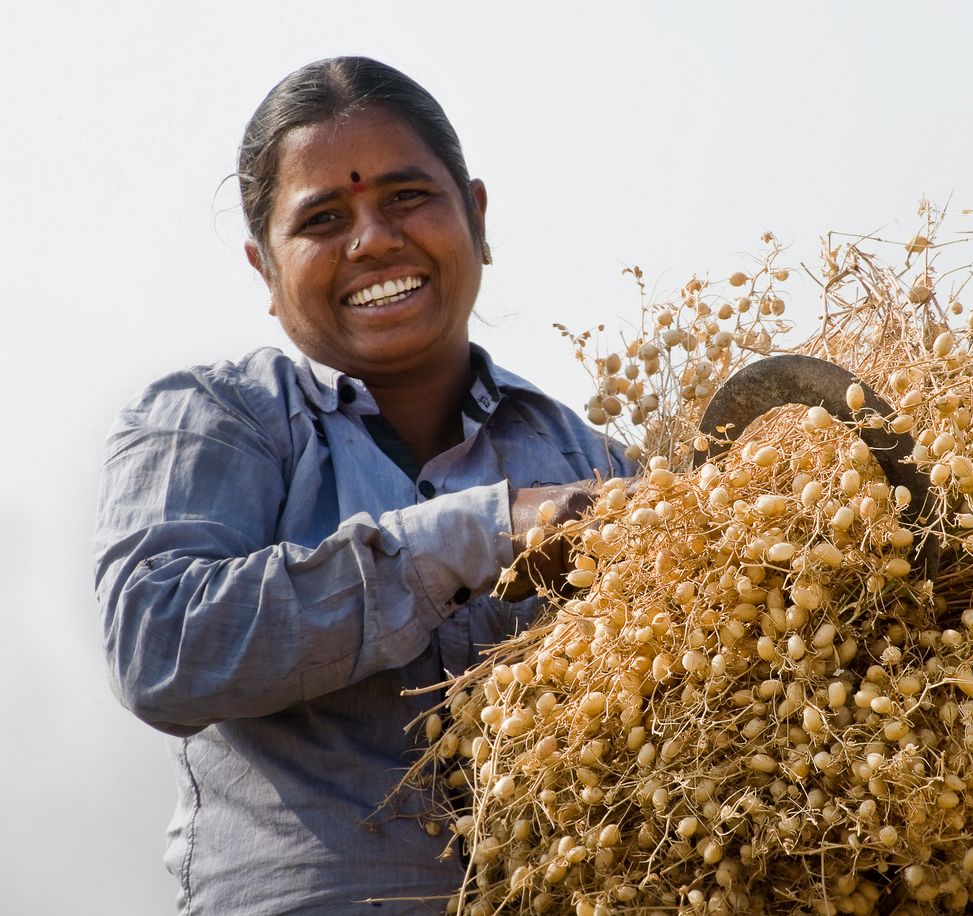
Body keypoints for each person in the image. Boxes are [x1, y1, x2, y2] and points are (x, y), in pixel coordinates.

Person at [93, 56, 632, 915]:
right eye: (324, 218)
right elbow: (162, 647)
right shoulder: (220, 422)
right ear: (265, 270)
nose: (374, 239)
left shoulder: (593, 464)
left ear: (477, 217)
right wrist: (487, 532)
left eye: (407, 197)